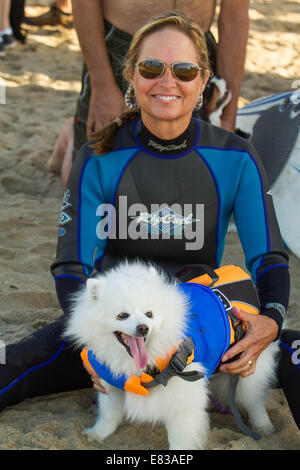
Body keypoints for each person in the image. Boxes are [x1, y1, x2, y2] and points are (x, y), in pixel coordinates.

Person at [1, 11, 299, 435]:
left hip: (203, 323)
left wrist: (269, 320)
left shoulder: (235, 156)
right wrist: (92, 350)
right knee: (14, 362)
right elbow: (71, 267)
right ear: (131, 76)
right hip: (116, 331)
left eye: (184, 70)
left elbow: (268, 256)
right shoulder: (98, 157)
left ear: (202, 83)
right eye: (151, 68)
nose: (167, 81)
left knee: (293, 351)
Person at [47, 0, 249, 187]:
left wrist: (228, 117)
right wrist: (102, 86)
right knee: (88, 185)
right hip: (122, 46)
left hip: (192, 52)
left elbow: (235, 17)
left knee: (194, 186)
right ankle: (71, 135)